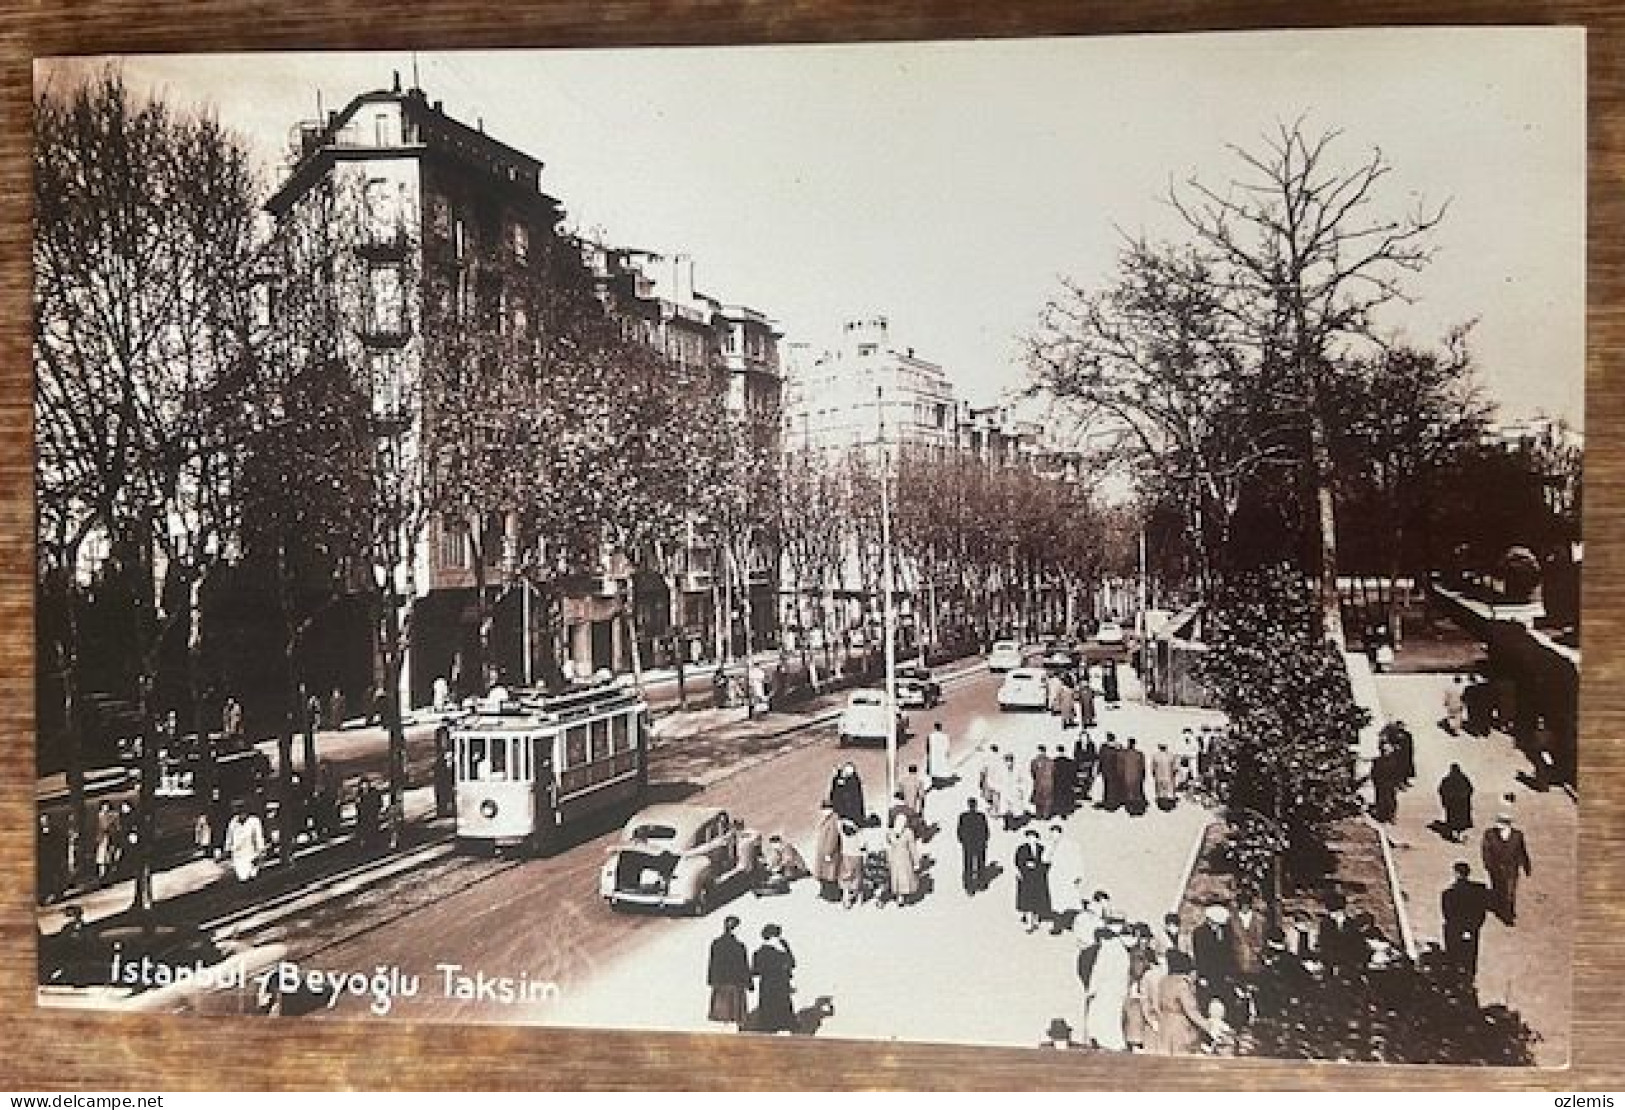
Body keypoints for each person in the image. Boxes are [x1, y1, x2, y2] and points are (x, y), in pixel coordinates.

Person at [1150, 950, 1209, 1056]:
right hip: (1180, 1026)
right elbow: (1191, 1010)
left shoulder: (1164, 982)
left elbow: (1156, 1003)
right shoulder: (1182, 984)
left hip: (1165, 1023)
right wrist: (1207, 1026)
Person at [1441, 861, 1493, 979]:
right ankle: (1470, 977)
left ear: (1456, 874)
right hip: (1472, 928)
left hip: (1455, 929)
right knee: (1471, 955)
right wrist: (1474, 926)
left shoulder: (1448, 893)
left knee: (1453, 955)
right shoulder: (1480, 890)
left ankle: (1454, 976)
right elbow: (1482, 911)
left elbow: (1447, 914)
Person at [1084, 924, 1131, 1051]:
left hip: (1105, 991)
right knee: (1113, 1017)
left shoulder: (1106, 950)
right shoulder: (1121, 950)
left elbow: (1098, 972)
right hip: (1117, 991)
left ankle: (1104, 1040)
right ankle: (1115, 1042)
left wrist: (1091, 990)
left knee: (1101, 1016)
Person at [1481, 811, 1534, 924]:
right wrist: (1489, 865)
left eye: (1501, 823)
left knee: (1510, 892)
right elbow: (1486, 851)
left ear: (1508, 824)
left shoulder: (1517, 835)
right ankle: (1500, 908)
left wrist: (1526, 866)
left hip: (1511, 869)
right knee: (1499, 890)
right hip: (1496, 869)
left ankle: (1508, 914)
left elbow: (1522, 851)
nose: (1498, 825)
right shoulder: (1489, 834)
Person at [707, 915, 752, 1031]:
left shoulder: (716, 943)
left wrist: (711, 980)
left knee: (722, 1009)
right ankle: (735, 1027)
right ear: (735, 928)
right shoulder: (739, 946)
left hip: (721, 981)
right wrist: (748, 982)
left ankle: (723, 1027)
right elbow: (743, 966)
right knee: (735, 1009)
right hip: (736, 982)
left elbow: (713, 963)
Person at [751, 924, 797, 1034]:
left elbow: (755, 970)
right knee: (782, 1004)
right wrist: (786, 948)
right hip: (781, 982)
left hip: (766, 983)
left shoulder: (759, 952)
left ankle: (768, 1025)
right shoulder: (782, 952)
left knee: (768, 1004)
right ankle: (784, 1024)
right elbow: (792, 963)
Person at [1191, 904, 1236, 1008]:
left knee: (1225, 999)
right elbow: (1200, 956)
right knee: (1208, 1000)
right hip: (1208, 973)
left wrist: (1231, 972)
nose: (1218, 926)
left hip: (1223, 974)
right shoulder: (1199, 933)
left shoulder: (1226, 931)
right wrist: (1202, 976)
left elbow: (1229, 952)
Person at [1316, 892, 1365, 980]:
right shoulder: (1326, 923)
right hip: (1333, 963)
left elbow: (1357, 944)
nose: (1332, 915)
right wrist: (1332, 964)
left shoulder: (1351, 923)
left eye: (1334, 912)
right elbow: (1326, 945)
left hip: (1350, 963)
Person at [1014, 828, 1052, 933]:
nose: (1032, 839)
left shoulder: (1041, 849)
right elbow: (1018, 862)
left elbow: (1046, 862)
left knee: (1037, 901)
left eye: (1034, 837)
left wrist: (1039, 867)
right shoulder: (1022, 849)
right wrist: (1025, 866)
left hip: (1038, 878)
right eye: (1029, 837)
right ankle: (1029, 924)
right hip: (1026, 878)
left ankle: (1035, 921)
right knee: (1028, 902)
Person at [222, 800, 265, 883]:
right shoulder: (233, 822)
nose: (240, 813)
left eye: (241, 809)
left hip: (252, 854)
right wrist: (226, 851)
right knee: (243, 878)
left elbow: (259, 837)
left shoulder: (254, 821)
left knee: (253, 877)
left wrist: (260, 852)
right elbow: (229, 838)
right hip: (238, 856)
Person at [886, 811, 921, 907]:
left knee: (896, 875)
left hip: (894, 857)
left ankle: (899, 896)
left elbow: (888, 845)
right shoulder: (908, 832)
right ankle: (904, 895)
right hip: (905, 857)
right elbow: (912, 848)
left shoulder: (891, 833)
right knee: (905, 875)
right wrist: (916, 862)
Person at [956, 797, 990, 895]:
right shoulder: (981, 816)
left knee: (968, 865)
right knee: (980, 863)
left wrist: (963, 841)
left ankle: (969, 885)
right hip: (979, 844)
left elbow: (960, 831)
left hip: (968, 844)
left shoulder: (963, 816)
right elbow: (986, 831)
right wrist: (984, 841)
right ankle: (981, 883)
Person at [812, 800, 843, 902]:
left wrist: (829, 852)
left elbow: (832, 838)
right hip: (823, 851)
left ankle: (832, 896)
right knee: (824, 874)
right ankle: (825, 893)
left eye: (826, 809)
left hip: (829, 852)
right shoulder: (828, 819)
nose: (824, 811)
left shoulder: (834, 820)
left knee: (830, 874)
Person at [1438, 763, 1475, 843]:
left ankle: (1456, 833)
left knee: (1453, 821)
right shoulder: (1463, 779)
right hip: (1461, 804)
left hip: (1453, 805)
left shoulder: (1447, 780)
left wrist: (1446, 800)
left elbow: (1441, 790)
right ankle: (1459, 833)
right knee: (1460, 821)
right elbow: (1470, 789)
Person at [837, 818, 864, 909]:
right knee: (857, 877)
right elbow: (862, 845)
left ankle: (846, 899)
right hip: (857, 856)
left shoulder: (844, 836)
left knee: (846, 877)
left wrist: (844, 821)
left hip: (846, 856)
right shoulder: (858, 835)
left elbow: (839, 825)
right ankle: (858, 899)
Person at [1121, 738, 1148, 817]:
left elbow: (1121, 766)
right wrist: (1143, 776)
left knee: (1129, 792)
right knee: (1137, 792)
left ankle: (1132, 809)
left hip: (1127, 776)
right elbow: (1143, 766)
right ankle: (1138, 809)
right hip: (1137, 776)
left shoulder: (1124, 754)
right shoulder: (1139, 754)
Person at [898, 764, 928, 834]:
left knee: (906, 821)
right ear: (916, 771)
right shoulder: (919, 782)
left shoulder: (903, 781)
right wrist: (921, 810)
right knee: (913, 825)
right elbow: (921, 797)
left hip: (905, 807)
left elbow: (899, 794)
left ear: (909, 771)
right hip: (914, 807)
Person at [1151, 743, 1178, 812]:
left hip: (1159, 777)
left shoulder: (1155, 756)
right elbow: (1175, 768)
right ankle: (1168, 805)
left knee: (1161, 792)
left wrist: (1155, 776)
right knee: (1169, 792)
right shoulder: (1171, 755)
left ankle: (1162, 805)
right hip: (1169, 777)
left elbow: (1153, 768)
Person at [1052, 743, 1076, 818]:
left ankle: (1059, 810)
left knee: (1059, 797)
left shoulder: (1054, 762)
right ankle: (1066, 811)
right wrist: (1073, 782)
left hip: (1058, 782)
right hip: (1067, 782)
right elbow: (1073, 773)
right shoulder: (1069, 761)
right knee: (1066, 797)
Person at [1031, 745, 1055, 820]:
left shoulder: (1035, 761)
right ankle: (1046, 815)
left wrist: (1036, 778)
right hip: (1048, 782)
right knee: (1047, 799)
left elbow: (1033, 772)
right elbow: (1054, 771)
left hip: (1039, 782)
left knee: (1038, 799)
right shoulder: (1051, 761)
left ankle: (1039, 815)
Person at [1074, 735, 1099, 805]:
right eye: (1082, 737)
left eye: (1085, 737)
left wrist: (1090, 763)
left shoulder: (1091, 744)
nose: (1083, 739)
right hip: (1080, 765)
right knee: (1080, 780)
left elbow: (1094, 754)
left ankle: (1085, 794)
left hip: (1089, 765)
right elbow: (1076, 754)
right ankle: (1080, 794)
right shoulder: (1078, 744)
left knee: (1089, 780)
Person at [926, 722, 952, 786]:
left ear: (935, 728)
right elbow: (947, 747)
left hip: (933, 754)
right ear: (941, 728)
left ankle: (934, 782)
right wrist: (947, 755)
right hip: (941, 754)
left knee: (933, 767)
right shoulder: (945, 736)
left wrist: (928, 754)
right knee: (941, 767)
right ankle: (940, 781)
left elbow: (928, 746)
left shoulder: (930, 736)